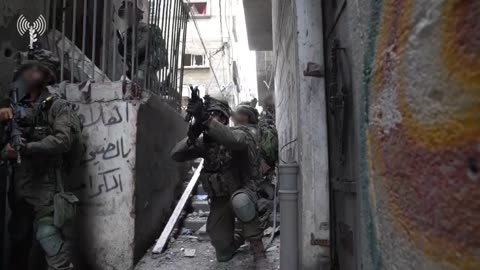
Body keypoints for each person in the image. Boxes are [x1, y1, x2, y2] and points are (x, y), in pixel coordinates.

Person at [0, 52, 82, 270]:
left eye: (34, 69)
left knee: (50, 240)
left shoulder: (57, 106)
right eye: (27, 68)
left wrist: (26, 148)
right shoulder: (14, 106)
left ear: (46, 76)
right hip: (19, 187)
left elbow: (63, 141)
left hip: (46, 187)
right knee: (18, 241)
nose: (28, 73)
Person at [171, 95, 270, 269]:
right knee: (223, 253)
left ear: (224, 118)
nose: (209, 117)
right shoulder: (207, 143)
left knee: (241, 202)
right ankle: (240, 236)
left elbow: (234, 141)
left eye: (213, 114)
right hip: (221, 199)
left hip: (244, 190)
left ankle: (258, 250)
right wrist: (191, 136)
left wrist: (206, 120)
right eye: (207, 114)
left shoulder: (242, 132)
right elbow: (176, 155)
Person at [117, 1, 168, 82]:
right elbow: (122, 52)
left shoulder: (145, 29)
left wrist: (129, 50)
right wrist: (122, 42)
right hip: (134, 68)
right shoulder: (129, 32)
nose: (126, 20)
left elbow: (139, 48)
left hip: (145, 66)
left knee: (138, 79)